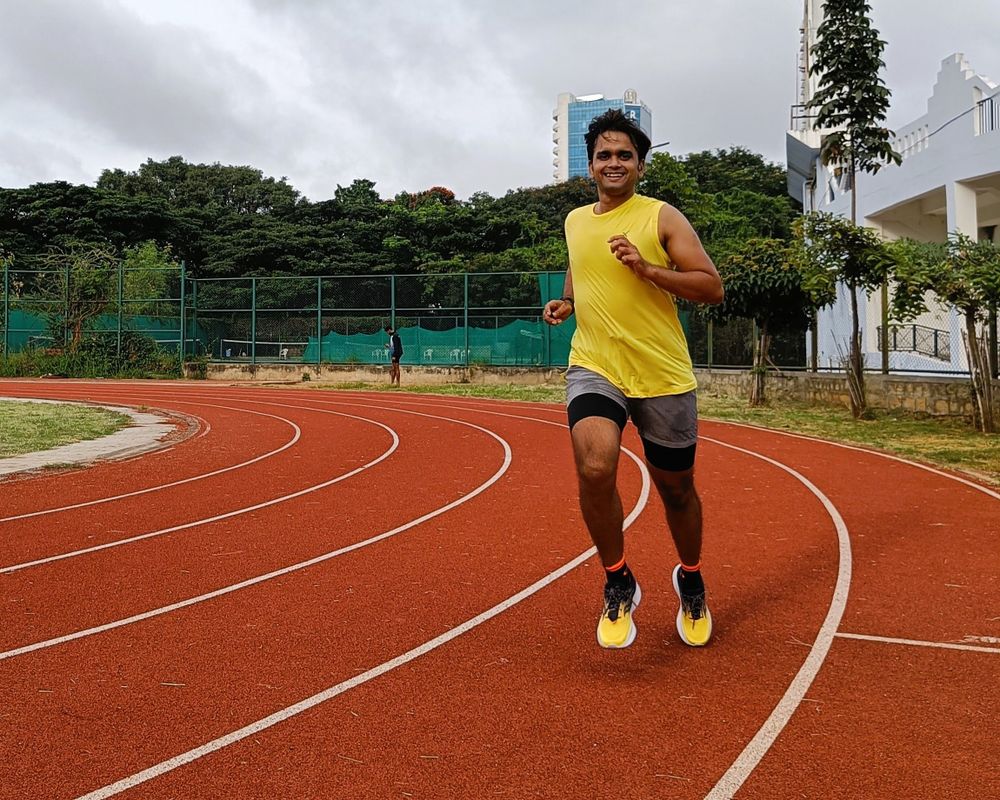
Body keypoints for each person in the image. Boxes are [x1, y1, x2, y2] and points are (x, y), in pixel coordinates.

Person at [542, 109, 724, 650]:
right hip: (595, 364)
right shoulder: (576, 220)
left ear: (640, 166)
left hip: (662, 373)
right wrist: (568, 301)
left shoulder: (662, 217)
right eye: (604, 155)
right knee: (595, 467)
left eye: (624, 155)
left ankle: (690, 577)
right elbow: (582, 261)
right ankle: (618, 577)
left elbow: (710, 287)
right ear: (590, 166)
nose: (613, 162)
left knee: (676, 489)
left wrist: (647, 269)